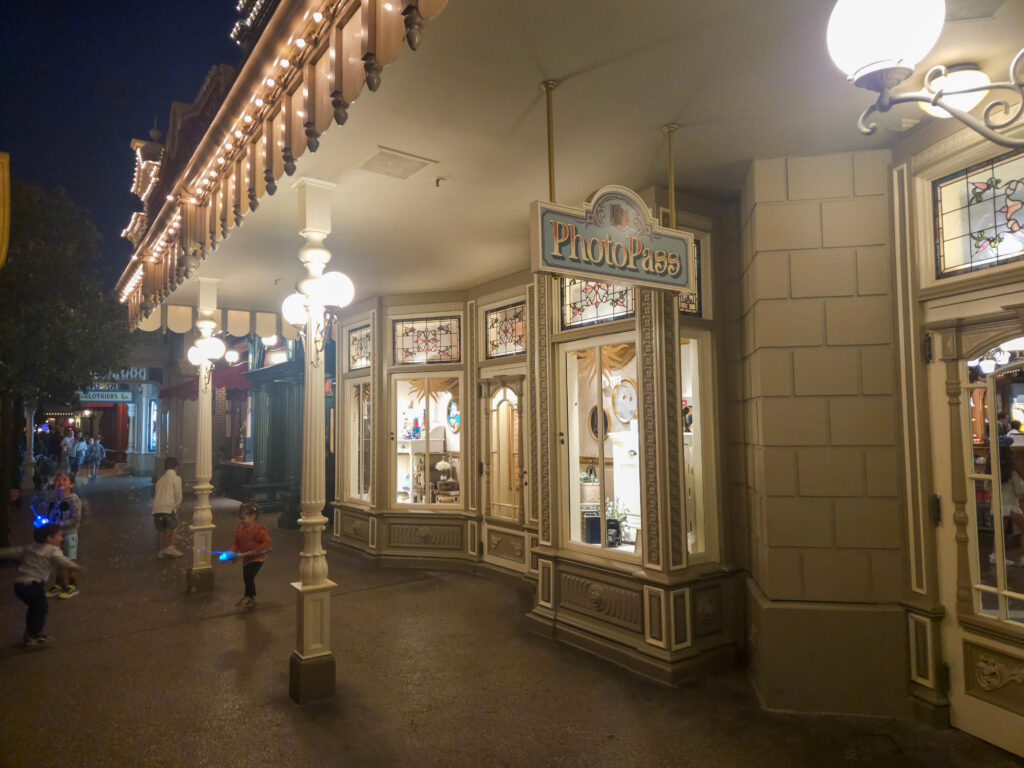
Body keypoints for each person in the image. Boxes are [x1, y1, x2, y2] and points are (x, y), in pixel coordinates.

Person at [0, 523, 81, 646]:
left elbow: (12, 552)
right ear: (49, 538)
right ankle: (33, 634)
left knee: (35, 608)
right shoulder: (53, 550)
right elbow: (62, 561)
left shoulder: (30, 547)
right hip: (34, 586)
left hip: (20, 586)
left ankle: (29, 633)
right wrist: (76, 567)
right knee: (41, 608)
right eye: (59, 535)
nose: (61, 538)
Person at [224, 501, 271, 608]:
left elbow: (267, 542)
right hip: (246, 558)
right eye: (240, 519)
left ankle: (249, 596)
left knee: (249, 576)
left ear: (253, 517)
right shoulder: (239, 530)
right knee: (246, 577)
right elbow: (236, 543)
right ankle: (251, 596)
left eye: (244, 518)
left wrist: (257, 550)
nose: (242, 521)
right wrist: (233, 552)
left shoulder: (258, 531)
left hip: (257, 558)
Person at [46, 472, 82, 598]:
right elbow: (50, 516)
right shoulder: (54, 500)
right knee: (59, 560)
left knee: (70, 560)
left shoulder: (73, 499)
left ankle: (73, 585)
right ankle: (59, 583)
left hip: (69, 534)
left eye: (64, 480)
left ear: (71, 484)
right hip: (57, 536)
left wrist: (60, 524)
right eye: (57, 480)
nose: (60, 482)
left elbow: (76, 518)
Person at [153, 456, 183, 558]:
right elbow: (178, 495)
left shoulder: (160, 479)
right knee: (174, 526)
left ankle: (161, 551)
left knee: (161, 530)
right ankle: (170, 547)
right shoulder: (176, 478)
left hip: (157, 508)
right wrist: (176, 507)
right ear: (176, 467)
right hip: (168, 506)